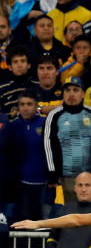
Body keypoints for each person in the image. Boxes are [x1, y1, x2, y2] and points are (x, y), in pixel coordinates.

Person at [43, 76, 91, 204]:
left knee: (89, 217)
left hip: (90, 177)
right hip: (66, 179)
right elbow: (47, 145)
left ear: (83, 93)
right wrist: (52, 172)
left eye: (75, 90)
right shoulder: (54, 115)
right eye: (67, 90)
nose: (71, 94)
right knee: (70, 217)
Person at [6, 91, 51, 221]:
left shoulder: (46, 123)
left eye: (29, 104)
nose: (25, 108)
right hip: (21, 184)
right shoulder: (12, 126)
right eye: (22, 104)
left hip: (45, 183)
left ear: (36, 106)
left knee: (43, 222)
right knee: (24, 220)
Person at [0, 46, 40, 118]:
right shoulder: (2, 89)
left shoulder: (39, 85)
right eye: (15, 62)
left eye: (23, 61)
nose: (19, 65)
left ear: (29, 65)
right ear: (10, 67)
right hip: (11, 128)